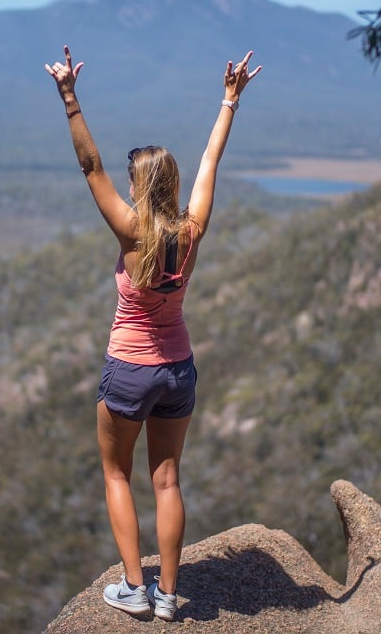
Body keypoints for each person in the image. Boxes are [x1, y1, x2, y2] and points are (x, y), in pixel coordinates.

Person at [44, 45, 261, 621]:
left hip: (130, 369)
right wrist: (229, 102)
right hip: (179, 370)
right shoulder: (192, 231)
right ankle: (168, 596)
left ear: (140, 186)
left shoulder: (131, 234)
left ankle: (135, 591)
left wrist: (70, 99)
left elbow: (91, 168)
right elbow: (212, 159)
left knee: (116, 472)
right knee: (168, 480)